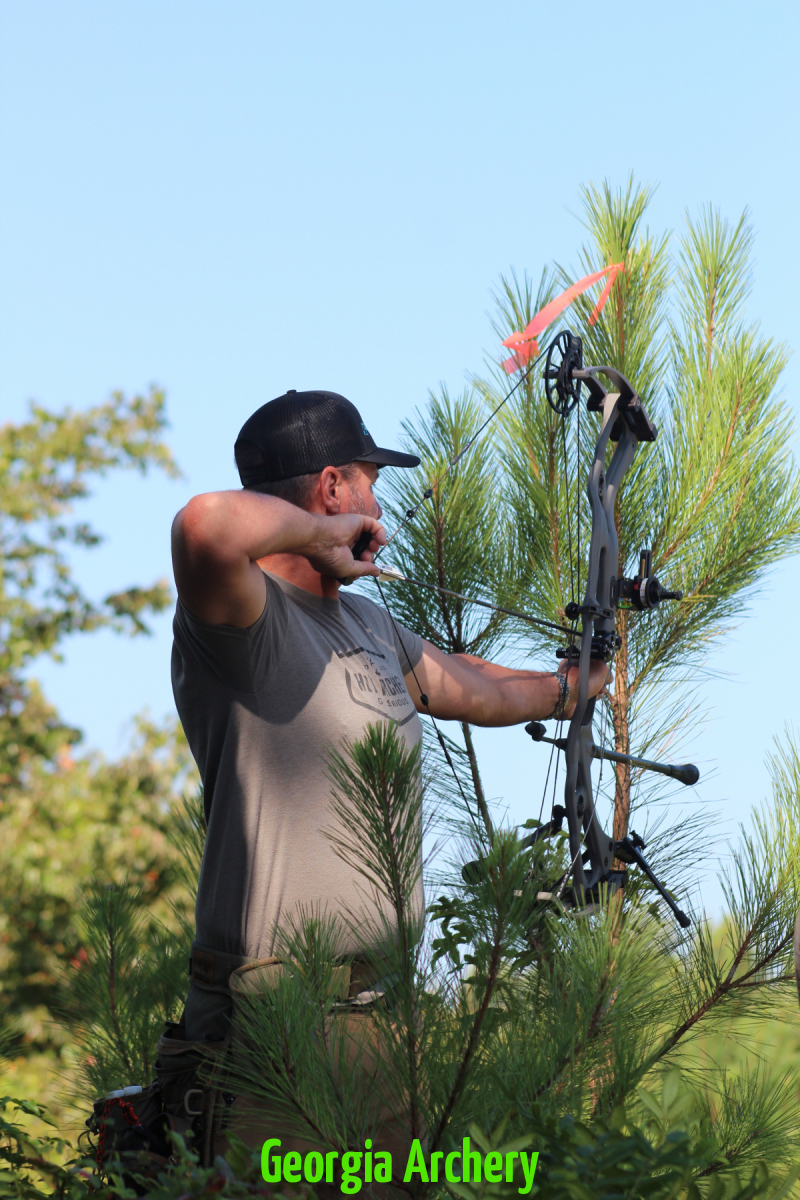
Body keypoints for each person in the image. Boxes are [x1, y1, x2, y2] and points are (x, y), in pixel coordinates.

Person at [166, 389, 609, 1166]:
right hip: (272, 1018)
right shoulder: (243, 618)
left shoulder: (367, 623)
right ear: (332, 487)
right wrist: (324, 536)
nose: (379, 504)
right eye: (369, 483)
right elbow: (204, 525)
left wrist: (575, 684)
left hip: (377, 1021)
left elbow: (473, 685)